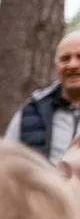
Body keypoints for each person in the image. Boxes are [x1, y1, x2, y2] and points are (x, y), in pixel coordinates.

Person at [4, 30, 80, 163]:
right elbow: (4, 164)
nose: (72, 65)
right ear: (56, 66)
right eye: (65, 58)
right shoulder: (30, 113)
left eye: (79, 57)